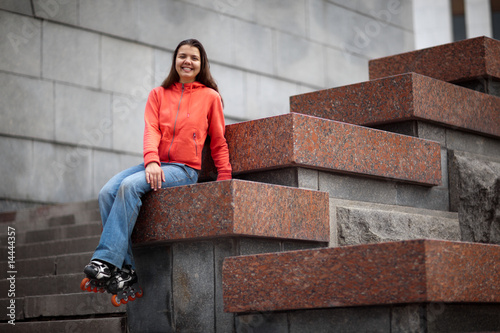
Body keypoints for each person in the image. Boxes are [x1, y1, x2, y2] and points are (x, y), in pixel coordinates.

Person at [82, 39, 232, 298]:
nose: (187, 61)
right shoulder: (158, 94)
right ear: (175, 60)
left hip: (184, 169)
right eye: (182, 56)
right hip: (155, 163)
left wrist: (225, 177)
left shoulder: (210, 97)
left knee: (130, 187)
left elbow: (218, 141)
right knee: (107, 192)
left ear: (201, 64)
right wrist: (151, 160)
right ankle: (126, 269)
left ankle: (107, 261)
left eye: (194, 58)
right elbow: (151, 130)